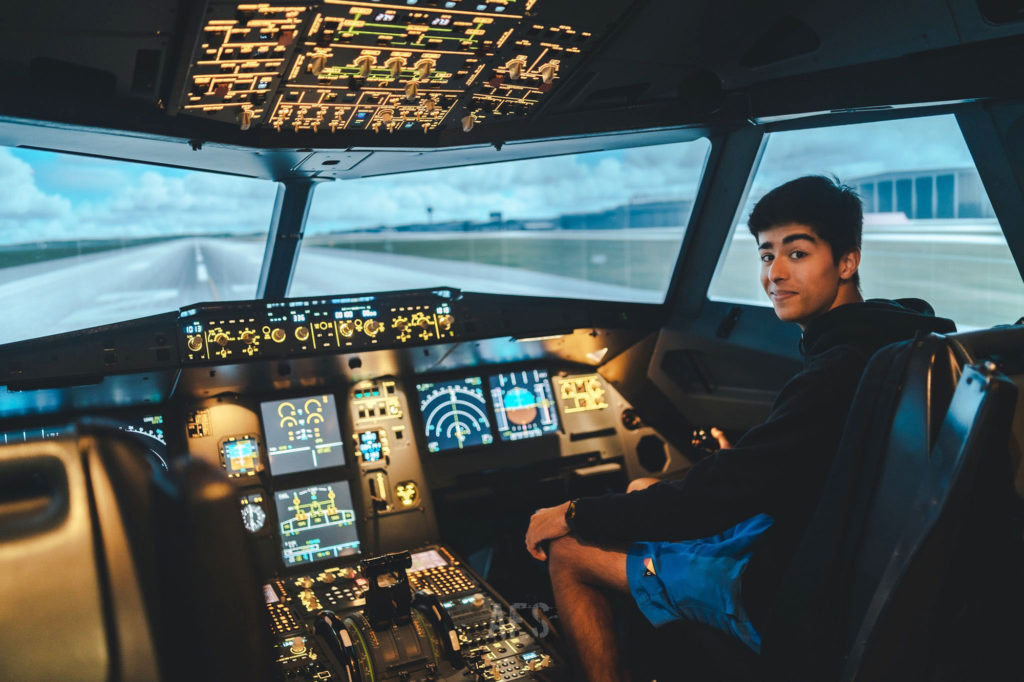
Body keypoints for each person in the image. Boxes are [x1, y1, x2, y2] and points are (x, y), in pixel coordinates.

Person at [524, 175, 956, 682]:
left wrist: (573, 513)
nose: (775, 272)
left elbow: (709, 502)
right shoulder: (901, 341)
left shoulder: (834, 369)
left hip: (788, 594)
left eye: (797, 253)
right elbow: (781, 468)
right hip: (833, 550)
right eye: (765, 254)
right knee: (643, 486)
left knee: (569, 550)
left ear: (846, 262)